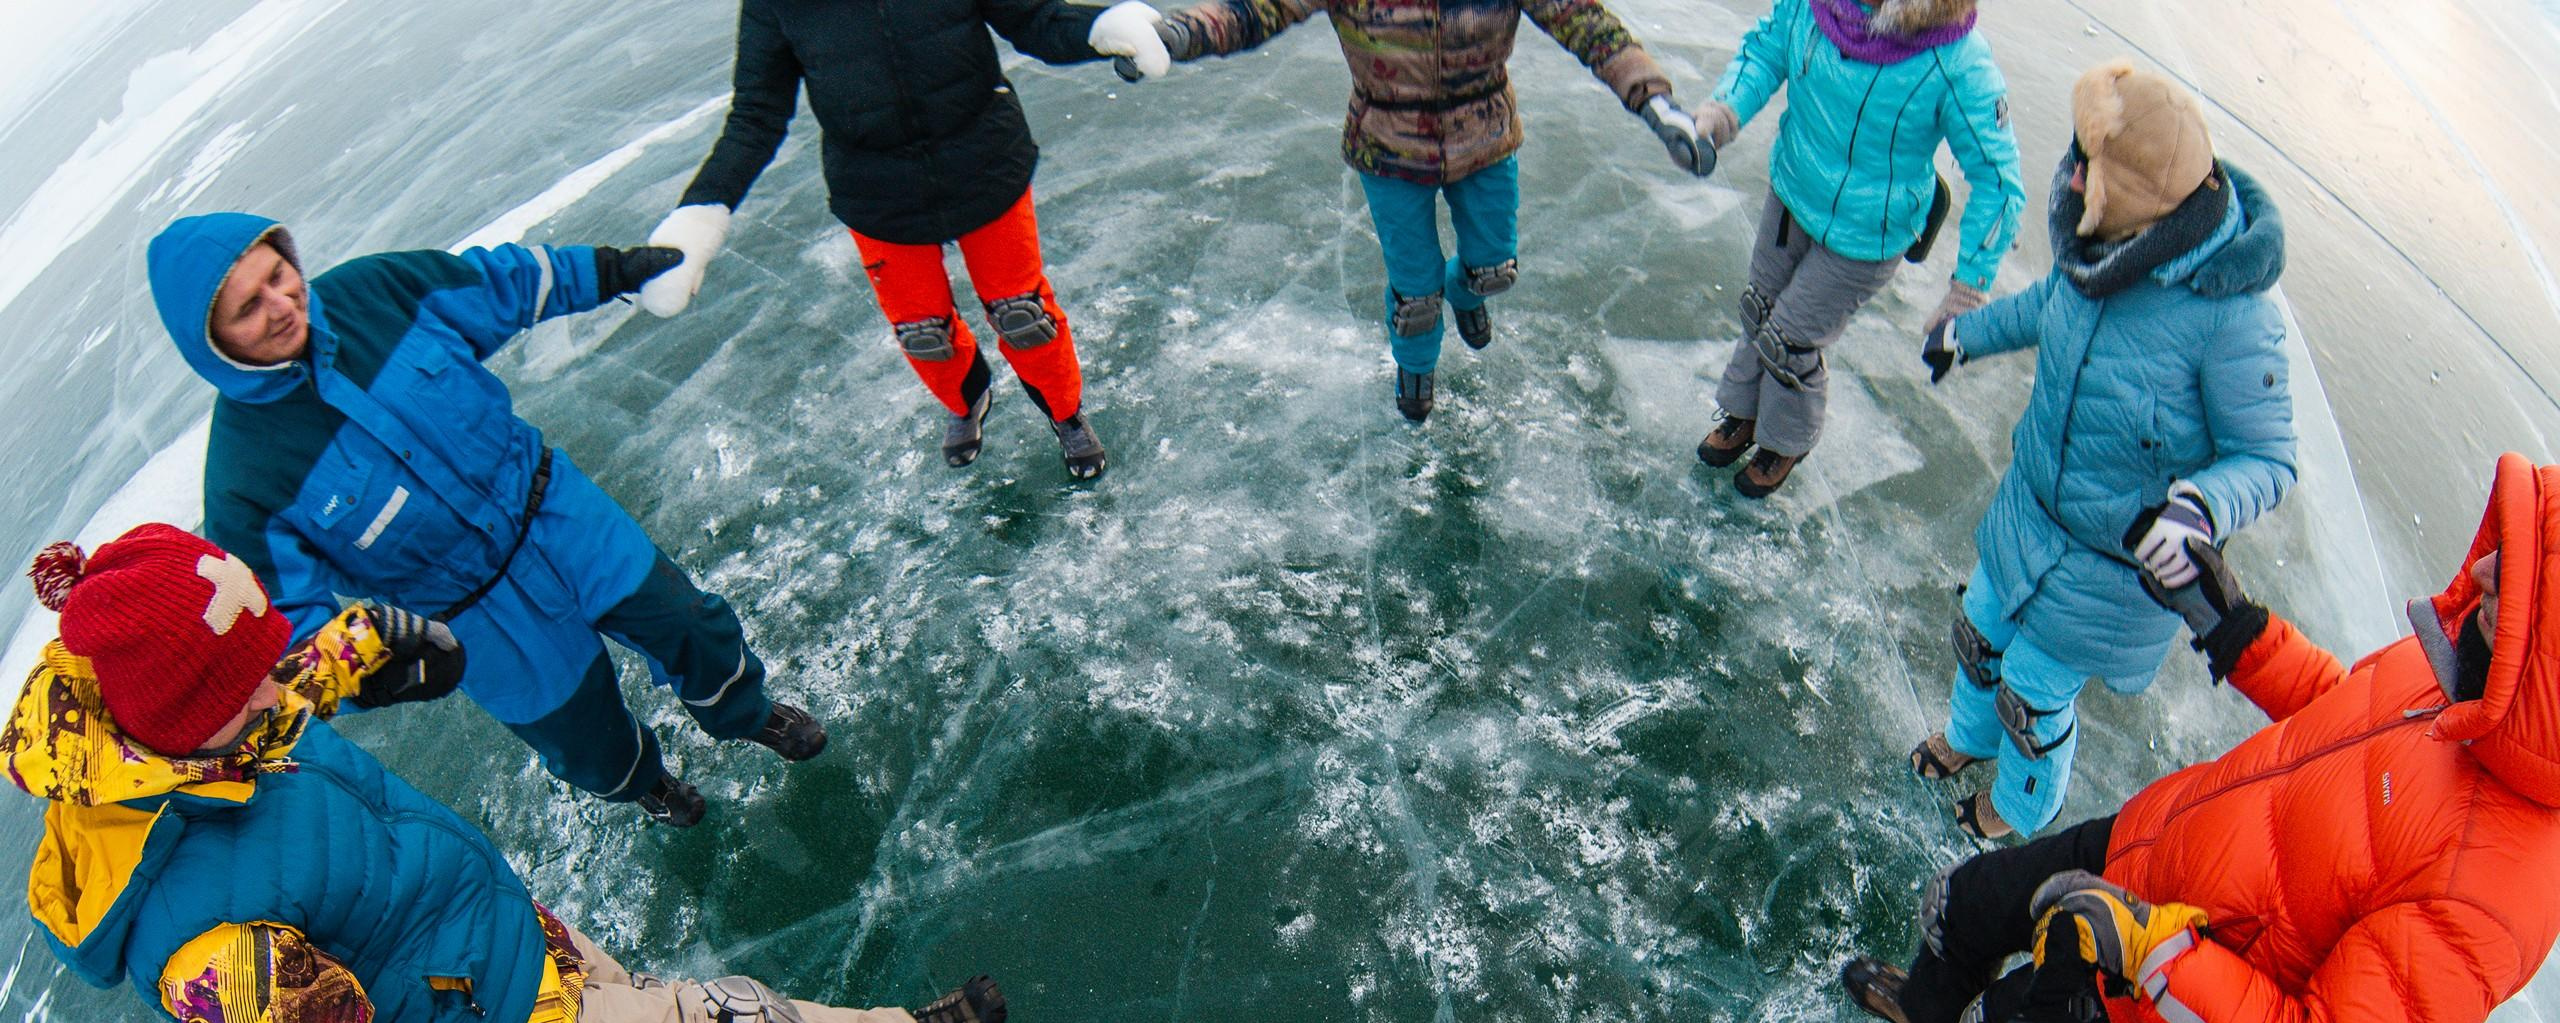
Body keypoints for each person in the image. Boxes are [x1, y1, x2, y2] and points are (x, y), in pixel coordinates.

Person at [5, 525, 1006, 1023]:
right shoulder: (205, 944)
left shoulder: (184, 733)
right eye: (247, 686)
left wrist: (365, 641)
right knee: (733, 1021)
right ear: (173, 726)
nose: (275, 691)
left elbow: (255, 686)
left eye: (267, 665)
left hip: (500, 945)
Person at [1843, 452, 2560, 1023]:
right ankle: (1929, 1011)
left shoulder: (2494, 894)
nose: (2488, 568)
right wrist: (2236, 625)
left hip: (2160, 981)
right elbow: (2342, 715)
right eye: (2509, 547)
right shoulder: (2460, 668)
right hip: (2153, 837)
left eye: (2521, 583)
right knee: (1959, 902)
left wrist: (2151, 948)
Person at [146, 212, 822, 829]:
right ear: (212, 343)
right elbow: (282, 629)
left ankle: (748, 714)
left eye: (278, 275)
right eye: (248, 308)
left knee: (684, 622)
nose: (281, 304)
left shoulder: (372, 292)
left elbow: (501, 283)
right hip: (471, 613)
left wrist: (613, 271)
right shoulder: (244, 477)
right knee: (584, 739)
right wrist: (363, 669)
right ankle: (647, 784)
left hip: (553, 510)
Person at [1911, 61, 2296, 838]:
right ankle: (1965, 738)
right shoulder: (2101, 250)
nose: (2074, 173)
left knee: (2032, 690)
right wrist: (1967, 334)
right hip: (2032, 509)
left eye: (2094, 166)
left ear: (2141, 190)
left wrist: (2201, 507)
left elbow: (2270, 458)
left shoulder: (2232, 319)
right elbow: (2046, 306)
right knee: (1980, 632)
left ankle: (2020, 805)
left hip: (2111, 568)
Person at [1109, 0, 1716, 422]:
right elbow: (1254, 10)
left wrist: (1653, 101)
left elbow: (1587, 23)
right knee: (1416, 293)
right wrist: (1177, 35)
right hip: (1389, 147)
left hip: (1485, 136)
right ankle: (1416, 366)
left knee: (1493, 267)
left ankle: (1471, 295)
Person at [641, 0, 1137, 480]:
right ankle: (969, 399)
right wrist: (701, 210)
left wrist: (1102, 29)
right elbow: (757, 115)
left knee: (1023, 316)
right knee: (924, 334)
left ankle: (1065, 413)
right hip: (876, 190)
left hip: (983, 161)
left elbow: (1035, 20)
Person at [1695, 0, 2026, 498]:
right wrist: (1725, 109)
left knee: (1789, 339)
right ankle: (1744, 410)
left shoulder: (1956, 58)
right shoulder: (1810, 8)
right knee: (1759, 312)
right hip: (1792, 191)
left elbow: (1999, 183)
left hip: (1868, 234)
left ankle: (1788, 438)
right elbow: (1765, 52)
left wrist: (1966, 290)